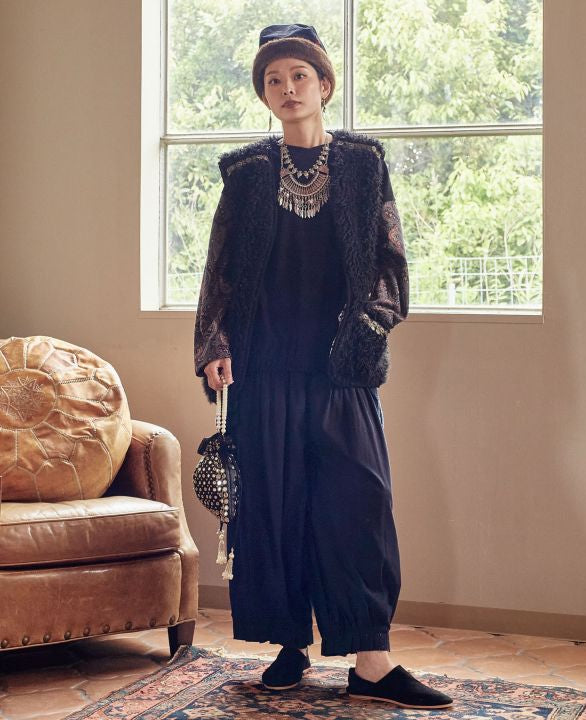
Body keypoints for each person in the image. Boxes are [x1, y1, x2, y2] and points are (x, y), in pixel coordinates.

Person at [194, 22, 453, 710]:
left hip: (342, 367)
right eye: (273, 80)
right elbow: (220, 269)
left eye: (299, 76)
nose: (287, 88)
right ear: (264, 94)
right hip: (263, 366)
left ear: (325, 85)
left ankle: (372, 661)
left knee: (358, 506)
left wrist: (370, 327)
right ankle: (289, 645)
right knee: (275, 508)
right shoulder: (247, 173)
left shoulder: (364, 164)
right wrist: (215, 345)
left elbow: (391, 262)